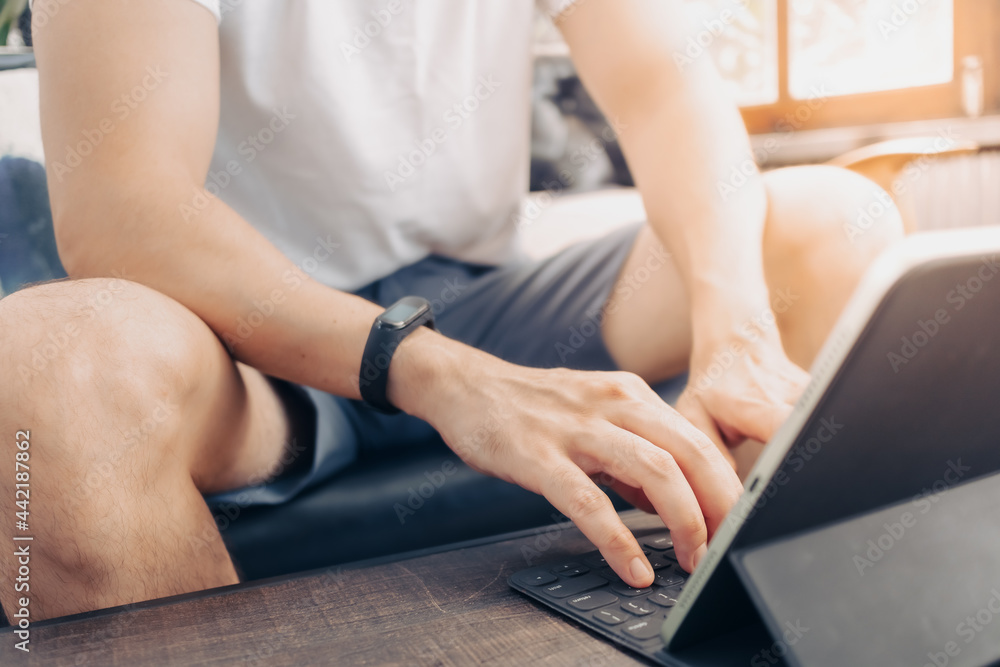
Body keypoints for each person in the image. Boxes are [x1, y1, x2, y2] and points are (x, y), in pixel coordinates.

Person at [0, 0, 902, 622]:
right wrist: (439, 374)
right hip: (247, 346)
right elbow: (124, 207)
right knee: (45, 377)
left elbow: (666, 88)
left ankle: (705, 619)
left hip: (480, 301)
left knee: (837, 228)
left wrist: (737, 331)